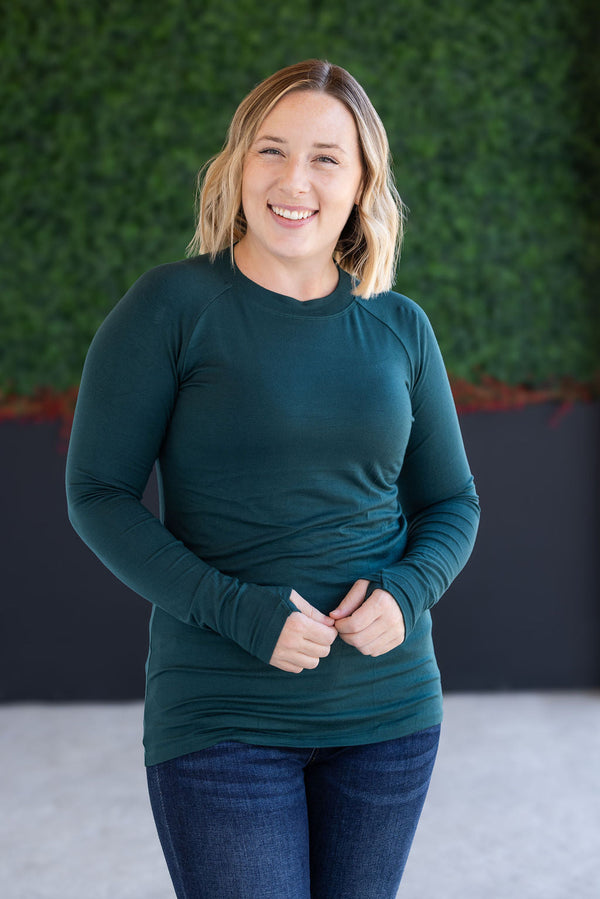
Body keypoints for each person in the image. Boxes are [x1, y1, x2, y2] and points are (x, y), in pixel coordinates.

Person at [66, 59, 480, 899]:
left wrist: (405, 593)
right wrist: (240, 611)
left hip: (389, 717)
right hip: (222, 719)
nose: (294, 180)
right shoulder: (172, 306)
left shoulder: (400, 326)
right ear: (236, 166)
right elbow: (97, 492)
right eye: (271, 150)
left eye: (327, 157)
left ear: (362, 180)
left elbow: (451, 503)